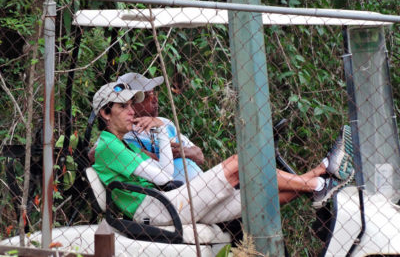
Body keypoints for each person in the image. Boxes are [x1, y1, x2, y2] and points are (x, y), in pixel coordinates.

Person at [92, 82, 354, 226]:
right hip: (158, 208)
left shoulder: (120, 143)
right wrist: (160, 134)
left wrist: (161, 131)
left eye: (130, 105)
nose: (131, 111)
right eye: (123, 106)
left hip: (168, 201)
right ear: (105, 113)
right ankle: (320, 181)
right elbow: (162, 176)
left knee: (264, 195)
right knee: (240, 163)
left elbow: (163, 171)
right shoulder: (108, 145)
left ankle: (319, 176)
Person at [117, 72, 204, 182]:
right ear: (132, 102)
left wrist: (179, 153)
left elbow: (199, 156)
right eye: (148, 96)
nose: (155, 100)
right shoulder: (124, 135)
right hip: (173, 193)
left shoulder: (164, 122)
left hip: (201, 184)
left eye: (154, 94)